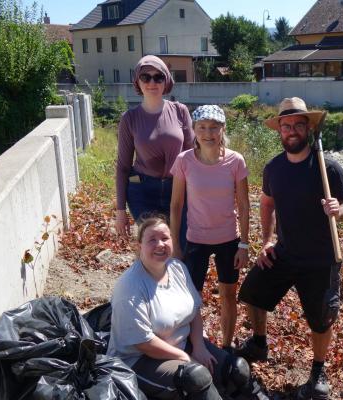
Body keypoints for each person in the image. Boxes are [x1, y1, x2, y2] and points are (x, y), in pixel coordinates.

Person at [236, 98, 343, 400]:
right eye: (286, 125)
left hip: (321, 259)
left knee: (321, 319)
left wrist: (338, 210)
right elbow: (267, 203)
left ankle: (318, 372)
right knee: (252, 291)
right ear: (279, 130)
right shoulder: (274, 168)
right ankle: (258, 342)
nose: (291, 131)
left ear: (308, 128)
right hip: (285, 252)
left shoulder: (326, 167)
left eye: (297, 125)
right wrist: (268, 240)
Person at [107, 215, 268, 400]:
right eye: (152, 239)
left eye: (165, 238)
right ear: (139, 246)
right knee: (196, 378)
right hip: (138, 359)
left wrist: (199, 346)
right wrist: (183, 356)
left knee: (236, 369)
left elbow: (194, 311)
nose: (160, 244)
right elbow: (144, 343)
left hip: (183, 344)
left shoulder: (177, 268)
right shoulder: (130, 287)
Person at [170, 105, 249, 352]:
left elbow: (245, 206)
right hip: (196, 239)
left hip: (228, 239)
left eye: (214, 127)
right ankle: (194, 343)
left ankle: (226, 346)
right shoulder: (184, 160)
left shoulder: (236, 161)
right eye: (202, 127)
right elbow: (176, 205)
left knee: (228, 294)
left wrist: (244, 244)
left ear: (222, 129)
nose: (208, 133)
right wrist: (175, 244)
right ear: (193, 130)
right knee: (192, 298)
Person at [115, 55, 193, 249]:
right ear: (137, 81)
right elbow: (123, 167)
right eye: (146, 77)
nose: (152, 82)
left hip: (178, 189)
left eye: (158, 77)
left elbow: (192, 158)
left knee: (179, 247)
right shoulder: (130, 119)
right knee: (154, 248)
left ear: (166, 81)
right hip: (143, 191)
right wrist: (120, 211)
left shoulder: (180, 111)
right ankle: (149, 280)